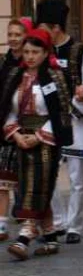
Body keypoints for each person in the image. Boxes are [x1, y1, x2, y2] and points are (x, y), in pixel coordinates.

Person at [1, 28, 73, 260]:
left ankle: (25, 235)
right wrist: (16, 134)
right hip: (22, 137)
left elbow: (61, 111)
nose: (30, 56)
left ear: (45, 53)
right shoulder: (15, 76)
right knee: (27, 184)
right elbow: (7, 109)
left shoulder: (55, 76)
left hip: (46, 140)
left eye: (35, 51)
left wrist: (41, 135)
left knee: (39, 185)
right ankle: (50, 237)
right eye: (26, 51)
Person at [37, 0, 83, 245]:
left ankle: (74, 225)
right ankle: (58, 221)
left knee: (76, 177)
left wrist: (82, 97)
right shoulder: (41, 51)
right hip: (49, 121)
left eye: (44, 28)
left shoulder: (81, 52)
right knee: (48, 173)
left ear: (56, 27)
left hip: (75, 120)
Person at [0, 18, 31, 241]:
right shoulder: (4, 62)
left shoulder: (32, 62)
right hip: (5, 126)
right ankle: (1, 224)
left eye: (17, 34)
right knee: (3, 178)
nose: (12, 39)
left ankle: (35, 221)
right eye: (10, 34)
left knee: (28, 179)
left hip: (29, 127)